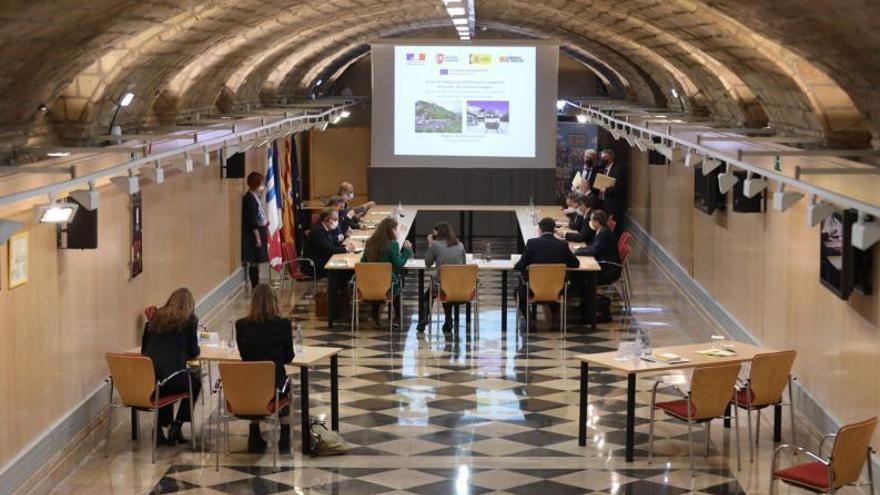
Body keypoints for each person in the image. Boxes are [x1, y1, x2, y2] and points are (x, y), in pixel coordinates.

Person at [235, 284, 294, 453]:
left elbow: (244, 355)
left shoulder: (241, 325)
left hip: (249, 388)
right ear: (274, 301)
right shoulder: (283, 324)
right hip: (275, 387)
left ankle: (254, 435)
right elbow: (289, 357)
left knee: (255, 378)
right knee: (284, 383)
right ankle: (284, 434)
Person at [140, 288, 202, 446]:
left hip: (147, 381)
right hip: (169, 381)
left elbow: (144, 350)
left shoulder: (155, 319)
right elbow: (194, 352)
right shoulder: (189, 321)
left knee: (163, 375)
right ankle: (177, 424)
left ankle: (160, 426)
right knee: (194, 381)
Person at [514, 217, 579, 329]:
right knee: (553, 284)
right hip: (558, 289)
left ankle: (531, 320)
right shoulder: (562, 245)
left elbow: (520, 266)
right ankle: (555, 318)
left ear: (540, 229)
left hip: (534, 289)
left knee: (518, 292)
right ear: (554, 230)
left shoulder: (532, 243)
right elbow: (575, 264)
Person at [361, 217, 413, 328]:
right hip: (388, 285)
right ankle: (397, 317)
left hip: (369, 284)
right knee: (398, 282)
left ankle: (374, 315)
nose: (398, 231)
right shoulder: (393, 245)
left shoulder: (369, 242)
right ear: (391, 230)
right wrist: (407, 251)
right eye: (396, 229)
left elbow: (363, 262)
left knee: (380, 282)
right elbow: (399, 263)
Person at [418, 221, 466, 333]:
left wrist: (430, 244)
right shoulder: (460, 244)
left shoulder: (435, 245)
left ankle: (424, 317)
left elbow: (427, 263)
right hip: (459, 285)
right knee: (447, 291)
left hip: (442, 284)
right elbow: (463, 264)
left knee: (429, 294)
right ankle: (448, 319)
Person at [575, 210, 622, 322]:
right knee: (580, 277)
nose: (590, 223)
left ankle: (591, 311)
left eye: (592, 220)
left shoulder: (604, 233)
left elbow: (594, 250)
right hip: (603, 264)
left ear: (597, 222)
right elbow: (593, 247)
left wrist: (576, 252)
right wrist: (580, 250)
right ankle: (585, 308)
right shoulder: (602, 231)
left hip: (607, 270)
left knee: (583, 279)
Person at [305, 208, 353, 279]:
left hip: (324, 259)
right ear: (327, 219)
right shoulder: (318, 231)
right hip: (316, 265)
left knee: (347, 267)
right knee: (346, 270)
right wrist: (346, 249)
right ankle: (336, 289)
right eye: (335, 219)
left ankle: (339, 288)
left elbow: (333, 243)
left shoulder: (326, 228)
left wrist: (346, 246)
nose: (337, 222)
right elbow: (330, 250)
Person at [242, 172, 269, 289]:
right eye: (261, 184)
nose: (262, 186)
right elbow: (252, 220)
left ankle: (257, 284)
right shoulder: (249, 199)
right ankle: (255, 285)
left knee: (257, 260)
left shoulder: (255, 196)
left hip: (260, 231)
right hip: (254, 234)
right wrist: (257, 238)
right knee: (254, 260)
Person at [598, 149, 625, 227]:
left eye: (605, 157)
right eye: (602, 157)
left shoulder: (617, 169)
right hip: (604, 203)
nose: (603, 160)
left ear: (611, 158)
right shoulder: (604, 169)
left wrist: (606, 190)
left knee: (612, 228)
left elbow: (619, 187)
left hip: (613, 205)